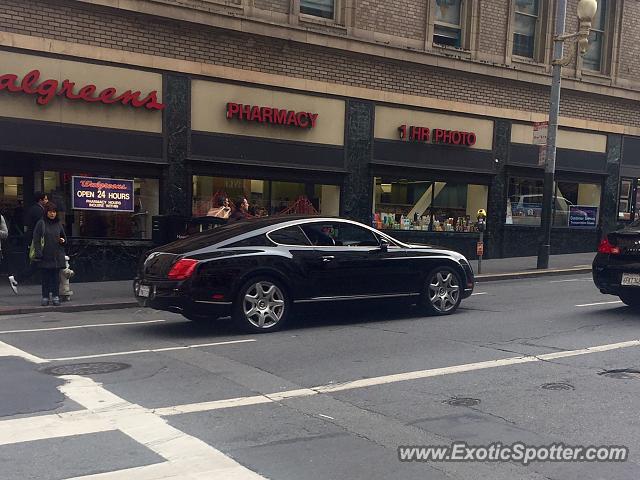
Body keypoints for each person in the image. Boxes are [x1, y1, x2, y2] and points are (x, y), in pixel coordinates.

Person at [8, 192, 48, 294]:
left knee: (38, 264)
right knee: (37, 264)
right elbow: (41, 227)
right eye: (46, 199)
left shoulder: (34, 209)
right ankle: (16, 278)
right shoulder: (38, 211)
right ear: (41, 200)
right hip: (37, 241)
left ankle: (17, 279)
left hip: (34, 239)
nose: (47, 201)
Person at [32, 203, 67, 306]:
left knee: (55, 278)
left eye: (54, 212)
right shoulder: (41, 223)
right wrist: (39, 252)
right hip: (45, 255)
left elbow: (64, 238)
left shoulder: (58, 224)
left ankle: (56, 296)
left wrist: (63, 240)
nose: (52, 214)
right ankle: (45, 297)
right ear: (46, 212)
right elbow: (36, 239)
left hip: (56, 255)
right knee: (45, 278)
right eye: (50, 212)